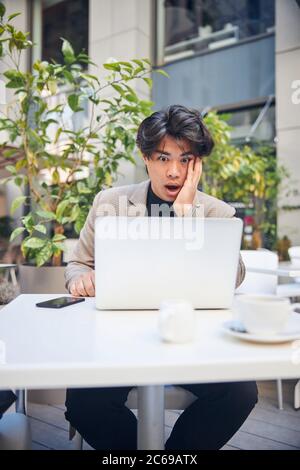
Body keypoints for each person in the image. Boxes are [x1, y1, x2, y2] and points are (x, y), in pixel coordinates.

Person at [64, 105, 257, 450]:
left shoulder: (217, 212)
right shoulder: (111, 204)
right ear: (146, 157)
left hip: (191, 340)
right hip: (117, 339)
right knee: (83, 404)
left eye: (185, 160)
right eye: (164, 158)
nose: (174, 172)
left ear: (197, 163)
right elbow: (79, 263)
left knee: (240, 392)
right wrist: (81, 279)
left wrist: (186, 215)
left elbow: (233, 277)